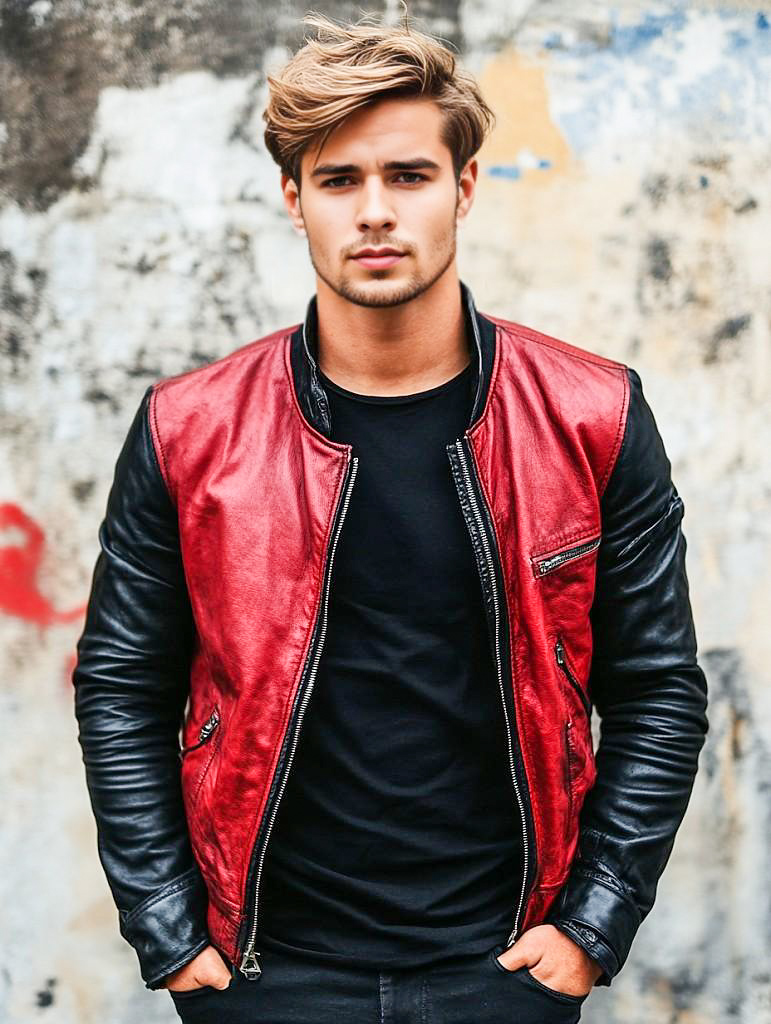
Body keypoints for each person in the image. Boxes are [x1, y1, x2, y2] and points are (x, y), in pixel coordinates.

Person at [72, 12, 709, 1024]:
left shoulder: (592, 417)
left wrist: (590, 927)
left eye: (408, 176)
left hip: (500, 969)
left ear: (463, 187)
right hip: (264, 974)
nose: (376, 211)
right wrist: (170, 930)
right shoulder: (189, 433)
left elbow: (659, 690)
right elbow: (120, 686)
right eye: (339, 180)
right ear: (294, 198)